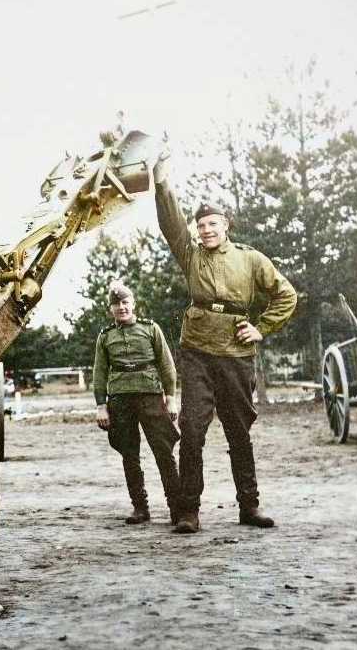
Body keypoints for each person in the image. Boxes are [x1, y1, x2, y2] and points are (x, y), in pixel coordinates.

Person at [154, 156, 297, 534]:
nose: (205, 230)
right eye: (201, 225)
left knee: (239, 432)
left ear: (226, 226)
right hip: (198, 352)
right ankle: (188, 510)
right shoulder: (190, 254)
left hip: (236, 355)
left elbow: (286, 295)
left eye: (212, 224)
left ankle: (249, 506)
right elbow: (171, 223)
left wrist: (262, 328)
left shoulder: (251, 259)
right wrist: (162, 180)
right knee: (192, 431)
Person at [93, 282, 181, 525]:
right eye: (116, 304)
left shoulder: (151, 329)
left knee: (164, 452)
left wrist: (171, 399)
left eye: (125, 302)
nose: (121, 307)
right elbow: (99, 372)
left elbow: (167, 365)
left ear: (133, 304)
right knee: (129, 454)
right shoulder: (105, 336)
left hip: (150, 395)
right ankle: (140, 507)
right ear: (110, 308)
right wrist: (101, 406)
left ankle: (177, 508)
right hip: (120, 399)